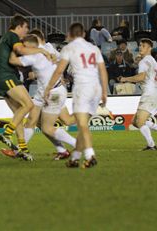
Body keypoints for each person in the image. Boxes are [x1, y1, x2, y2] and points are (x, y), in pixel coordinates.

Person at [45, 22, 108, 169]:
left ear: (71, 34)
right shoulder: (93, 48)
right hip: (96, 88)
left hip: (82, 89)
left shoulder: (69, 48)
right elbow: (103, 71)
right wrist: (104, 91)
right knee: (83, 126)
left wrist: (48, 87)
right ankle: (74, 158)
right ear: (84, 34)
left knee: (82, 125)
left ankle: (90, 155)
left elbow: (59, 70)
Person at [7, 34, 76, 160]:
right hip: (43, 92)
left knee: (48, 127)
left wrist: (11, 47)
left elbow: (13, 61)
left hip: (54, 93)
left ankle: (78, 144)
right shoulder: (46, 50)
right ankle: (21, 150)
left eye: (24, 45)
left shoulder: (37, 54)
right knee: (34, 121)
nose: (23, 47)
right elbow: (59, 60)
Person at [0, 14, 51, 161]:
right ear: (18, 26)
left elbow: (15, 57)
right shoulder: (12, 36)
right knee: (29, 104)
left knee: (18, 113)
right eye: (25, 27)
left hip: (1, 78)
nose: (27, 31)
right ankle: (6, 134)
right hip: (6, 76)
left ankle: (22, 148)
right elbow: (21, 51)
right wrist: (41, 51)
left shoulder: (6, 38)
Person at [119, 38, 157, 151]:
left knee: (140, 122)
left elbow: (141, 77)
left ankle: (152, 145)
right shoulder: (152, 61)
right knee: (135, 122)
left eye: (143, 46)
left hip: (149, 95)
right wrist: (153, 85)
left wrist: (125, 79)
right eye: (140, 45)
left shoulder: (144, 61)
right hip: (152, 94)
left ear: (149, 48)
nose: (140, 47)